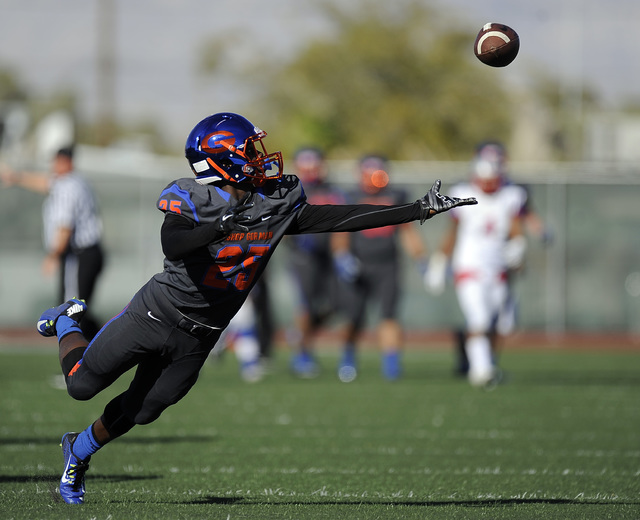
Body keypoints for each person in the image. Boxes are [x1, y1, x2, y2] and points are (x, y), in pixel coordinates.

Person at [35, 112, 476, 504]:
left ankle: (78, 451)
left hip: (203, 331)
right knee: (80, 387)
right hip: (159, 312)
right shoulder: (193, 196)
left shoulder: (275, 201)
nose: (260, 156)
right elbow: (172, 241)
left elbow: (335, 217)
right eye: (248, 149)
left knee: (144, 410)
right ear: (220, 159)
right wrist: (218, 226)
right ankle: (63, 321)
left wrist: (416, 210)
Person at [425, 141, 528, 386]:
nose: (487, 184)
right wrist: (439, 262)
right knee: (478, 319)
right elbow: (452, 231)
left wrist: (519, 245)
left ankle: (486, 364)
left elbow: (515, 228)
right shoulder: (462, 194)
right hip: (469, 266)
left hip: (497, 269)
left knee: (499, 325)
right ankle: (480, 371)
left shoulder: (511, 195)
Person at [332, 155, 429, 382]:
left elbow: (407, 231)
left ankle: (391, 364)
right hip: (358, 265)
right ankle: (347, 356)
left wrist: (420, 258)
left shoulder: (395, 196)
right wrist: (342, 256)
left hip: (387, 265)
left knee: (389, 315)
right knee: (353, 317)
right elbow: (340, 231)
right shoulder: (350, 197)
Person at [2, 146, 104, 339]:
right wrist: (16, 177)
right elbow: (45, 183)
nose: (53, 166)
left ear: (65, 162)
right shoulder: (75, 181)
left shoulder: (67, 186)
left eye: (56, 162)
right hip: (88, 253)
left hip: (79, 254)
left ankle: (88, 355)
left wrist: (53, 255)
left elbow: (66, 226)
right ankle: (102, 346)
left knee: (70, 310)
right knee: (75, 309)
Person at [286, 147, 345, 378]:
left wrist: (342, 253)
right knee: (305, 305)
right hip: (303, 256)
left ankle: (301, 336)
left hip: (329, 257)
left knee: (335, 304)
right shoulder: (291, 191)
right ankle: (302, 354)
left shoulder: (333, 191)